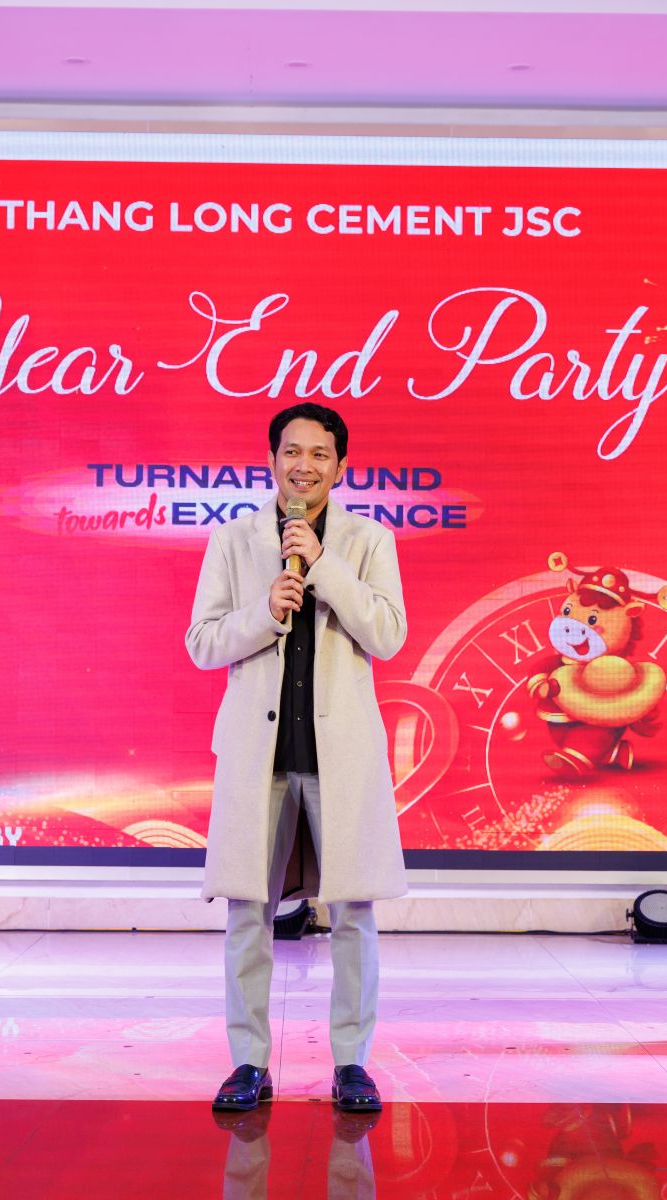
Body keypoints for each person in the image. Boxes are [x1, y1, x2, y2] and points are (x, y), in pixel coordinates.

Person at [187, 402, 409, 1113]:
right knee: (247, 912)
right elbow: (202, 642)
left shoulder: (368, 541)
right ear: (271, 460)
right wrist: (263, 612)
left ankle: (352, 1063)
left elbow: (388, 635)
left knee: (352, 912)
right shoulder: (234, 540)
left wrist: (324, 567)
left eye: (318, 454)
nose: (303, 466)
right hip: (261, 757)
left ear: (341, 466)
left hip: (340, 757)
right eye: (291, 451)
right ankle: (248, 1061)